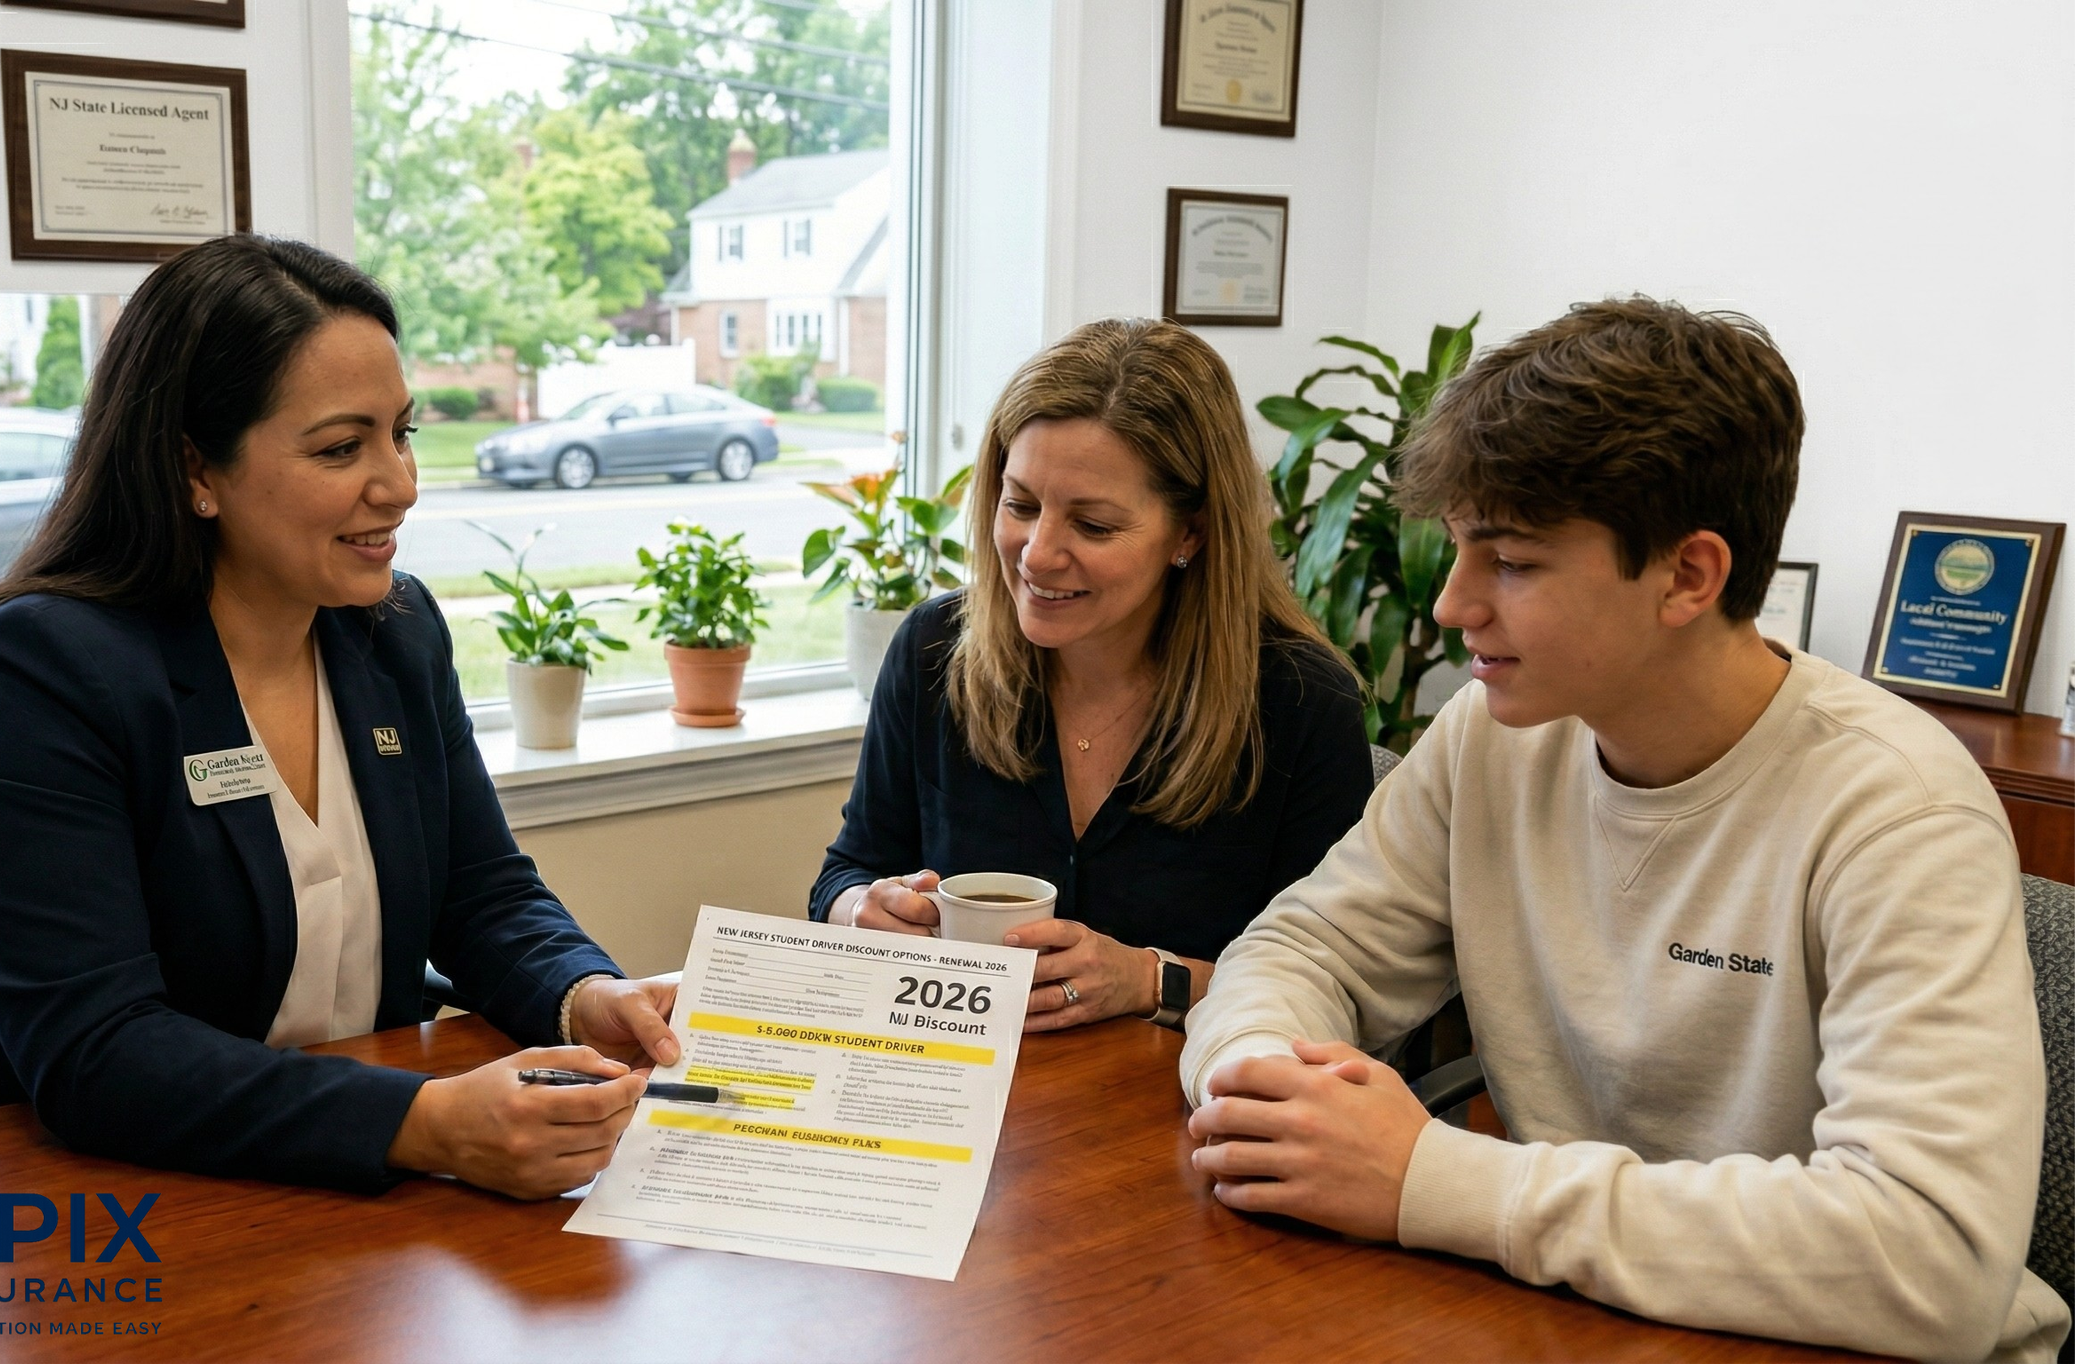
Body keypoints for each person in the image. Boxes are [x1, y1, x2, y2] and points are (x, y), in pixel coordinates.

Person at [1180, 297, 2069, 1361]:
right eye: (1459, 547)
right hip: (1593, 1314)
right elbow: (1302, 946)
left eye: (1510, 561)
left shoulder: (1897, 811)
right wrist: (1259, 1079)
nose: (1455, 603)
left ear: (1688, 575)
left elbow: (1933, 1257)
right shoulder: (1491, 736)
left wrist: (1440, 1181)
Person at [0, 235, 678, 1200]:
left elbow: (482, 894)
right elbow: (97, 1053)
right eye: (341, 447)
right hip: (24, 1201)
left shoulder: (393, 633)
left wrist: (584, 998)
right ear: (193, 467)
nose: (400, 484)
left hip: (310, 1182)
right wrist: (426, 1123)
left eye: (401, 433)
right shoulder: (40, 670)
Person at [810, 319, 1371, 1032]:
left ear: (1191, 533)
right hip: (959, 1100)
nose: (1037, 555)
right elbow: (846, 870)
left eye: (1094, 526)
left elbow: (1334, 985)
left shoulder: (1299, 701)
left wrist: (1149, 979)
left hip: (1182, 1113)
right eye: (1020, 506)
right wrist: (862, 907)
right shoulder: (933, 649)